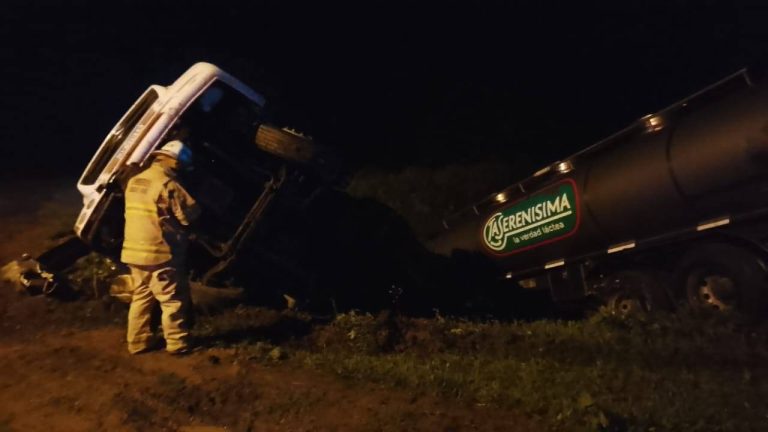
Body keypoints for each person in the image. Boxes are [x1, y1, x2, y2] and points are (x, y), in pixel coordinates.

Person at [121, 139, 201, 355]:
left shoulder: (135, 181)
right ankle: (178, 343)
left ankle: (137, 342)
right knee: (172, 300)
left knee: (142, 297)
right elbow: (189, 216)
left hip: (133, 252)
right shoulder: (167, 184)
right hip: (158, 254)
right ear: (174, 162)